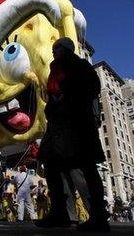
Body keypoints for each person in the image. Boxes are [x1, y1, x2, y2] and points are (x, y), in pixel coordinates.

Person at [36, 37, 110, 232]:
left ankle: (98, 216)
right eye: (53, 48)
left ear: (67, 48)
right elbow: (53, 94)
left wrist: (67, 95)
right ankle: (60, 214)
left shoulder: (81, 65)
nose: (53, 51)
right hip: (57, 125)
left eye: (57, 48)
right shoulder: (55, 68)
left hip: (77, 123)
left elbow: (93, 89)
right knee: (52, 165)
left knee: (86, 167)